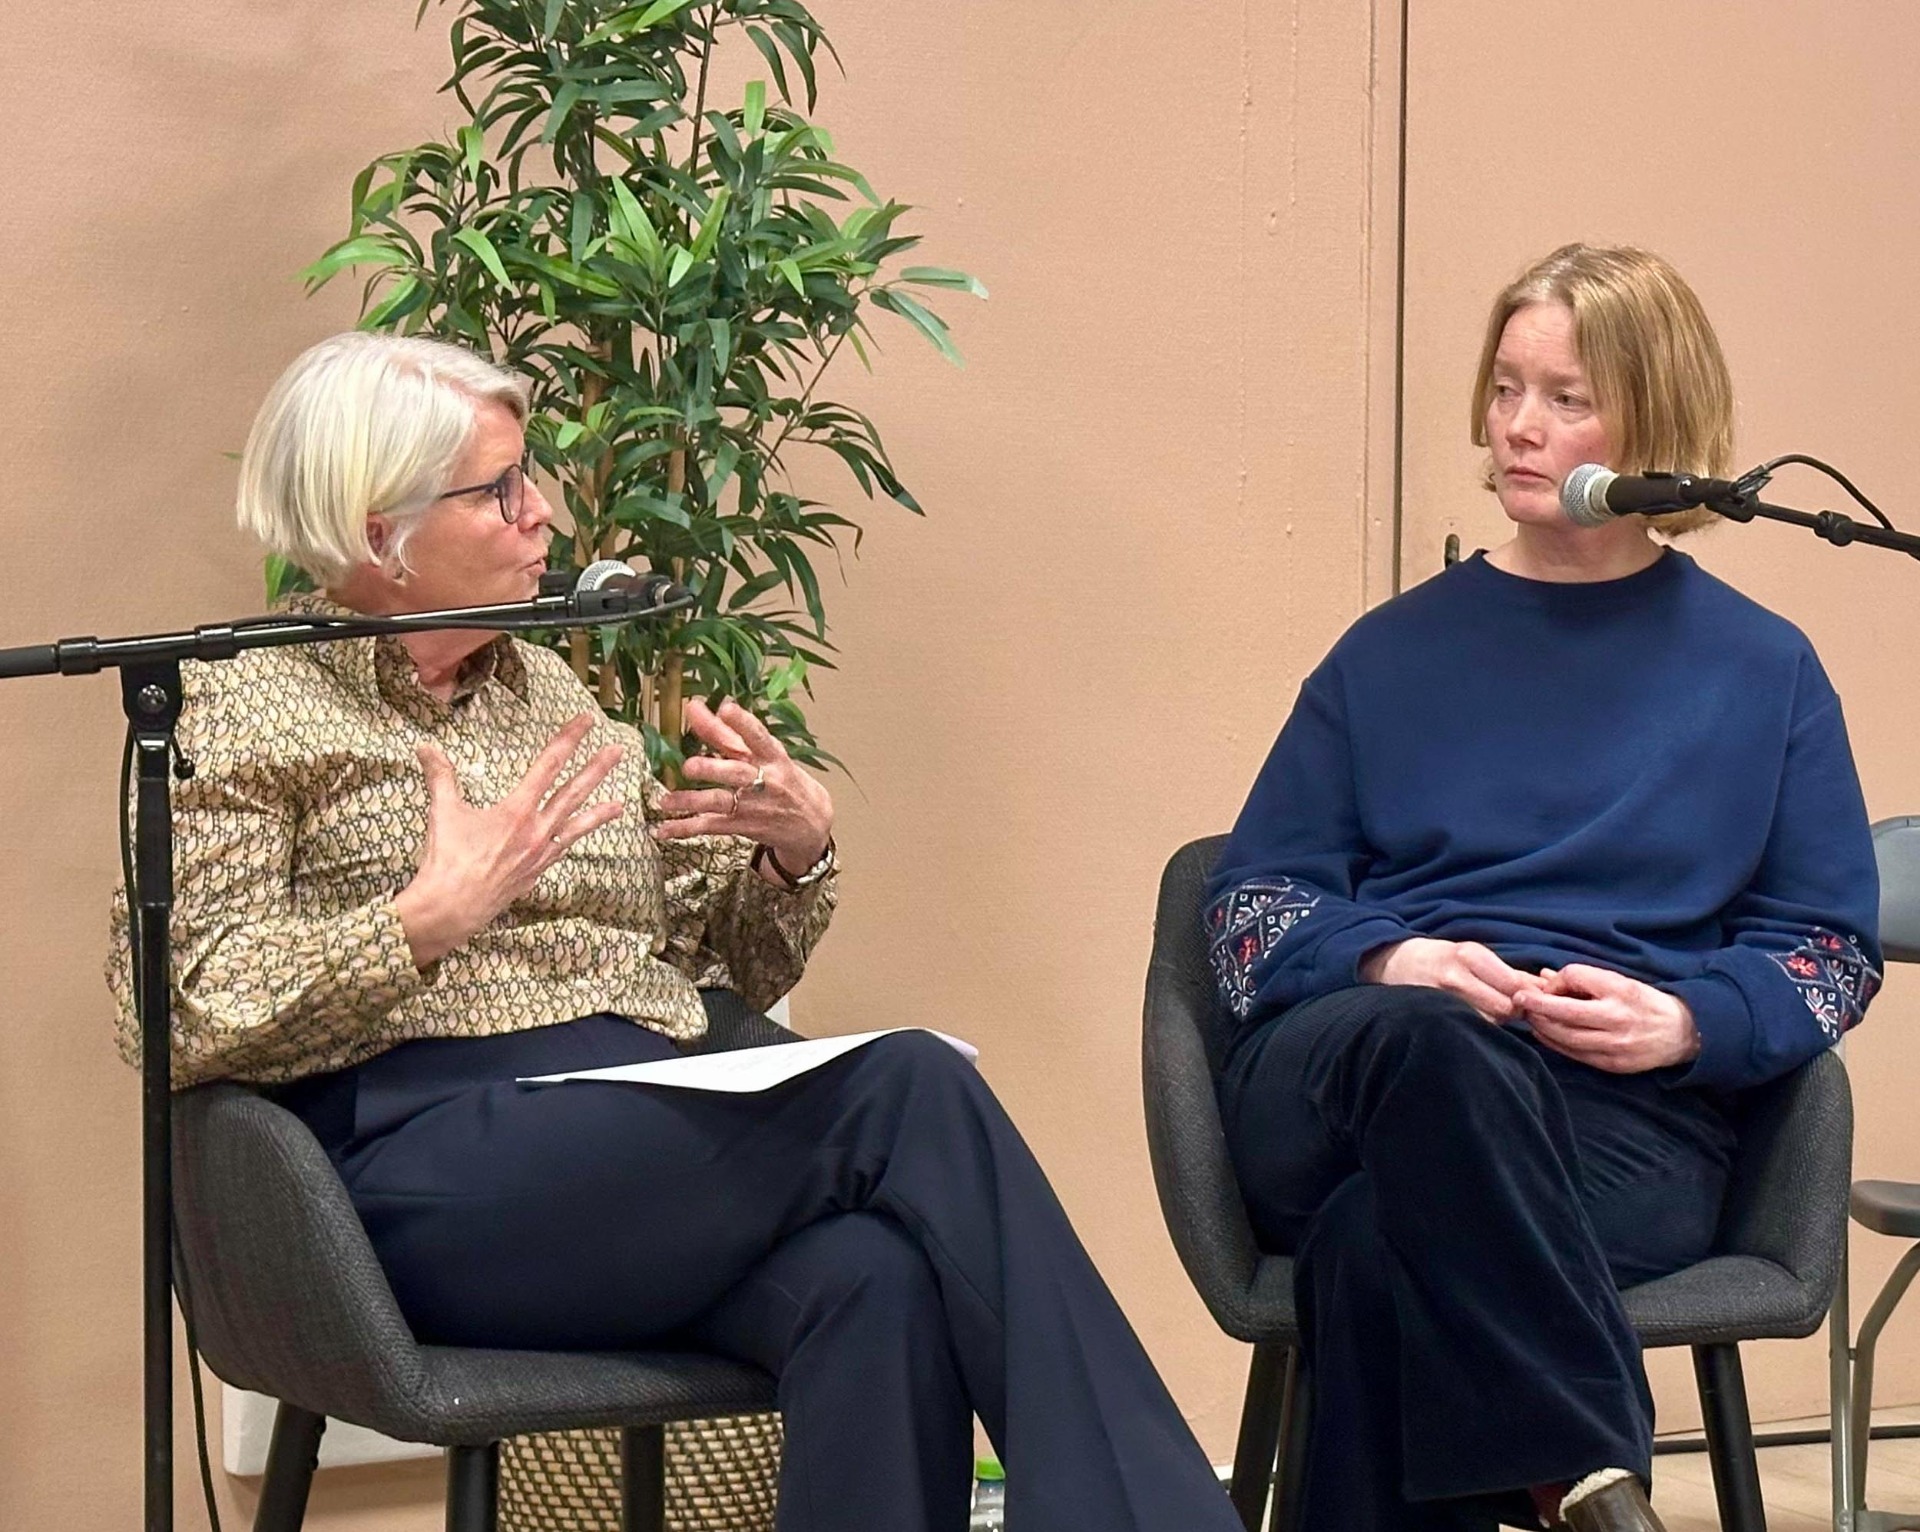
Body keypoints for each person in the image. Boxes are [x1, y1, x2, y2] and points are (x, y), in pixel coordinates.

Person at [107, 330, 1246, 1532]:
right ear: (379, 530)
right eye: (501, 489)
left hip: (626, 1139)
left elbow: (699, 956)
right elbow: (174, 1009)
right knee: (906, 1082)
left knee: (877, 1279)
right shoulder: (236, 704)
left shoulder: (543, 686)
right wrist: (416, 923)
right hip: (414, 1179)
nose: (544, 513)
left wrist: (786, 854)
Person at [1205, 244, 1881, 1532]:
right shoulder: (1387, 652)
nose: (1518, 425)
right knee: (1438, 1048)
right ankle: (1589, 1471)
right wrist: (1391, 959)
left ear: (1657, 425)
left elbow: (1828, 949)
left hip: (1613, 1120)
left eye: (1566, 397)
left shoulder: (1763, 669)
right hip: (1358, 1069)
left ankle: (1579, 1483)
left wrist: (1685, 1020)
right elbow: (1247, 912)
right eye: (1506, 386)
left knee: (1374, 1251)